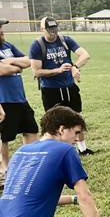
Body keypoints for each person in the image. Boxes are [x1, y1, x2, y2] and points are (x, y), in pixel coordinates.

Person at [28, 16, 94, 155]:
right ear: (42, 29)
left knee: (77, 117)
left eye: (55, 28)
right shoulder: (37, 45)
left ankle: (82, 148)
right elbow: (36, 72)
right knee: (53, 122)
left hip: (69, 87)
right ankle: (56, 151)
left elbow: (85, 55)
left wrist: (75, 66)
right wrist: (58, 70)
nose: (54, 32)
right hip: (51, 90)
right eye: (50, 30)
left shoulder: (65, 40)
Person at [0, 19, 38, 182]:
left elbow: (28, 61)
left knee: (31, 130)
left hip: (20, 98)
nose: (2, 30)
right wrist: (16, 66)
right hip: (3, 99)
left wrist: (11, 62)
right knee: (4, 137)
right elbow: (2, 70)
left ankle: (26, 164)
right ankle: (5, 170)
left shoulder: (7, 46)